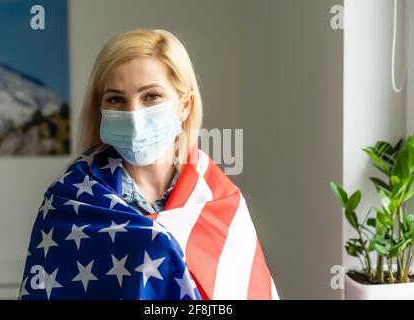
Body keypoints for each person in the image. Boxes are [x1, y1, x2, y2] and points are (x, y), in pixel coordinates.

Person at [19, 29, 278, 300]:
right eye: (116, 99)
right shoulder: (69, 201)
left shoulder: (220, 201)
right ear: (101, 109)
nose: (133, 114)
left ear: (185, 105)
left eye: (151, 96)